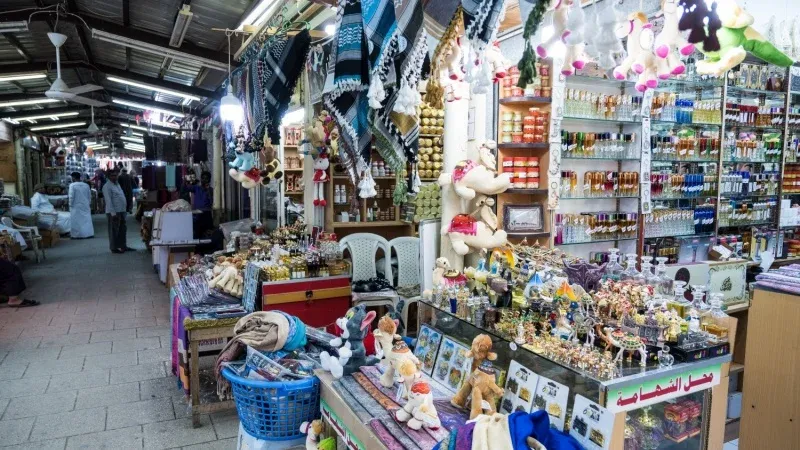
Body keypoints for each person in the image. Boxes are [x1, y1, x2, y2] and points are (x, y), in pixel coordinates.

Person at [102, 171, 129, 254]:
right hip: (114, 212)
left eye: (116, 175)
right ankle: (113, 248)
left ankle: (123, 246)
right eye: (112, 175)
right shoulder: (107, 186)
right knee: (114, 230)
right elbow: (108, 200)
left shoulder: (117, 184)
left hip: (121, 210)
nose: (115, 177)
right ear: (108, 177)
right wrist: (113, 213)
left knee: (122, 229)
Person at [68, 172, 94, 239]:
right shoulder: (86, 185)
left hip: (76, 205)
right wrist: (88, 203)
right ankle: (88, 234)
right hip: (85, 205)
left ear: (73, 177)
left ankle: (76, 235)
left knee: (76, 221)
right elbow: (89, 196)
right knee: (86, 220)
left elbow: (71, 196)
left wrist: (70, 204)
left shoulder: (72, 185)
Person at [189, 172, 214, 238]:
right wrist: (188, 181)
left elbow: (211, 201)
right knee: (197, 234)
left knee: (208, 235)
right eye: (203, 178)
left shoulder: (211, 190)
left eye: (206, 179)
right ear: (201, 179)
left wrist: (207, 189)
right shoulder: (196, 188)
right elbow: (185, 189)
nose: (204, 180)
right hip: (197, 215)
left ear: (209, 180)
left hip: (207, 215)